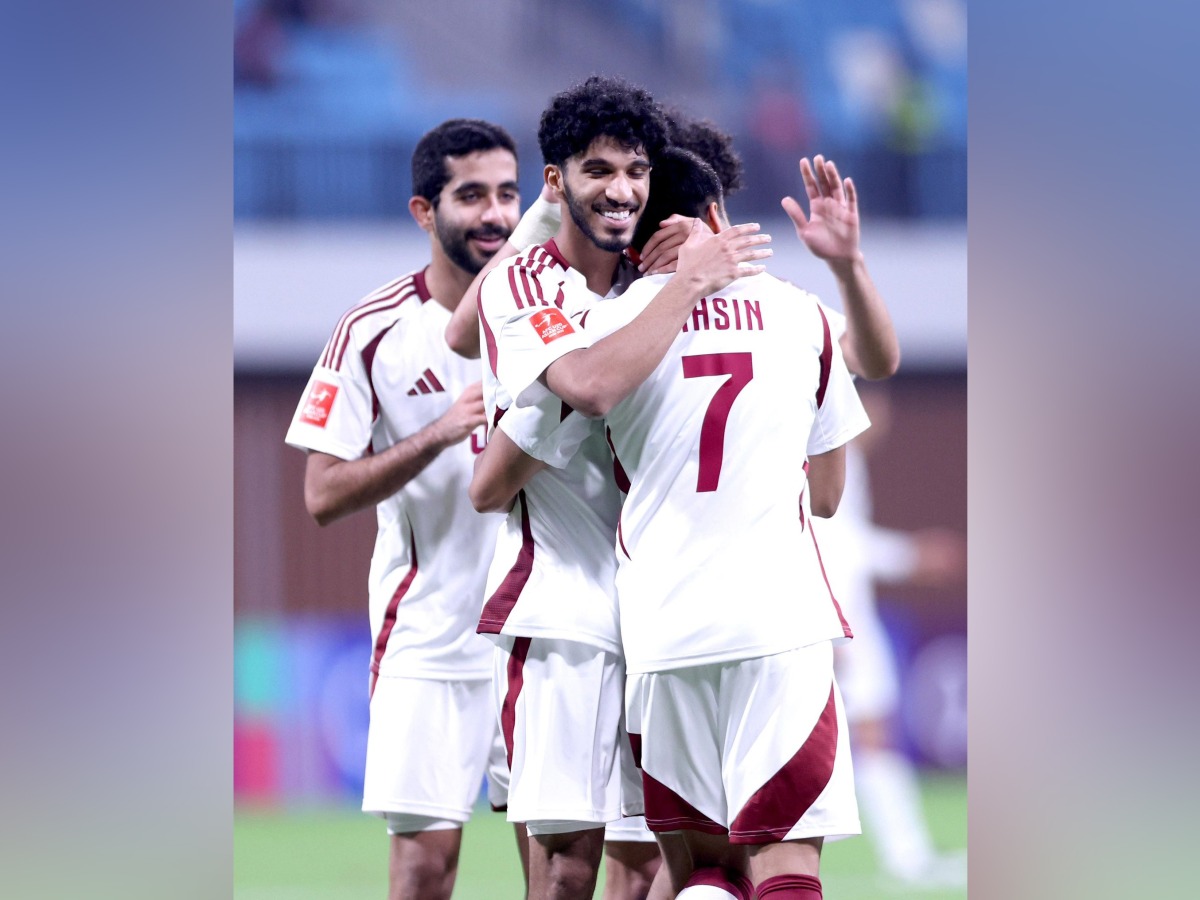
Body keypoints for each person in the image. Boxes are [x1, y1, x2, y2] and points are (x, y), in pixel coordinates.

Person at [468, 76, 772, 900]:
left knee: (653, 868)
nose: (622, 190)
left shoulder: (657, 293)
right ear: (556, 181)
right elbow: (592, 385)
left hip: (665, 614)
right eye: (597, 170)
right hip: (563, 611)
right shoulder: (527, 280)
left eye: (635, 170)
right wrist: (689, 284)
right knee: (567, 868)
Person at [284, 118, 526, 900]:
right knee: (424, 871)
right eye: (472, 196)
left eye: (507, 193)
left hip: (547, 634)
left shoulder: (553, 310)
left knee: (562, 870)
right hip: (432, 640)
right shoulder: (374, 330)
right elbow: (321, 493)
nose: (495, 214)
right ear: (425, 212)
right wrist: (435, 435)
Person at [813, 384, 968, 889]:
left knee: (874, 733)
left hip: (849, 613)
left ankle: (909, 857)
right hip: (833, 617)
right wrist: (911, 557)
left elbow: (847, 539)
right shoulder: (822, 454)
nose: (881, 419)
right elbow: (828, 541)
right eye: (870, 407)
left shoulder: (845, 459)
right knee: (821, 738)